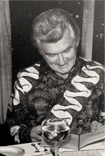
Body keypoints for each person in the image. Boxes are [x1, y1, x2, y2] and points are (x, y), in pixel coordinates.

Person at [6, 8, 104, 143]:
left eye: (67, 50)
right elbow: (12, 127)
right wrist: (27, 133)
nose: (62, 61)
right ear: (40, 51)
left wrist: (100, 126)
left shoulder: (98, 73)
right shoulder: (25, 79)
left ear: (76, 42)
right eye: (52, 55)